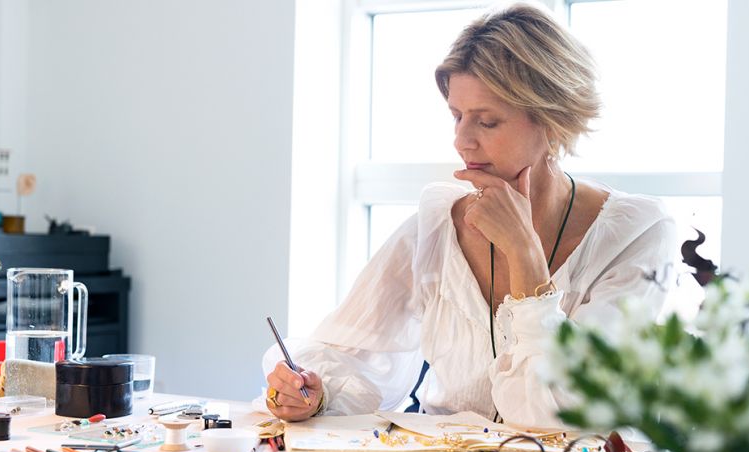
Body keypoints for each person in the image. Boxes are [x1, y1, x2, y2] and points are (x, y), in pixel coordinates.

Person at [260, 3, 676, 428]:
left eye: (487, 122)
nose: (461, 141)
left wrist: (524, 255)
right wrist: (311, 392)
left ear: (554, 122)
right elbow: (351, 356)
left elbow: (564, 411)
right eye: (457, 116)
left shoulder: (638, 235)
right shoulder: (437, 225)